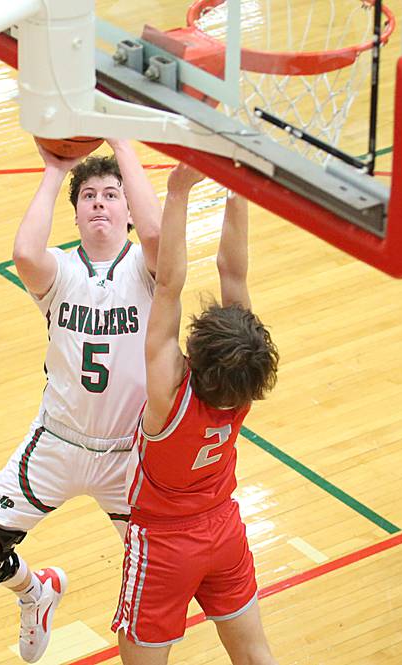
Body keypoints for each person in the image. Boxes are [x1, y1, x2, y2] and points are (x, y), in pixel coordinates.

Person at [0, 139, 161, 663]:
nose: (98, 203)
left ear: (128, 211)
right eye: (88, 195)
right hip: (57, 443)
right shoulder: (59, 272)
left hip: (129, 456)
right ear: (74, 213)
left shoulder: (146, 270)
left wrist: (121, 142)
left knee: (159, 571)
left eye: (111, 195)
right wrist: (54, 170)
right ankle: (34, 592)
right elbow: (24, 252)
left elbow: (157, 232)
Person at [111, 165, 279, 664]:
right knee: (255, 656)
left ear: (197, 348)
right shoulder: (244, 388)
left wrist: (178, 191)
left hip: (163, 545)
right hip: (225, 529)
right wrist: (240, 187)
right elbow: (235, 271)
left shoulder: (170, 393)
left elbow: (168, 286)